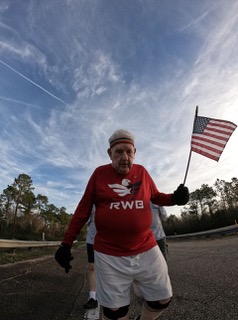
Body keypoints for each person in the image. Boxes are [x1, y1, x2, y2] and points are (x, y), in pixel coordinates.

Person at [55, 129, 189, 320]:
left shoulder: (142, 172)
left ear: (135, 152)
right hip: (109, 254)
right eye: (119, 152)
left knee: (161, 299)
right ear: (110, 154)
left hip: (146, 247)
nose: (124, 157)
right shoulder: (99, 175)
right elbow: (82, 211)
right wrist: (66, 244)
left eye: (129, 151)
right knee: (114, 312)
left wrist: (175, 198)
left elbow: (156, 196)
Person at [83, 206, 98, 309]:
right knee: (92, 266)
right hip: (92, 239)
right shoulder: (91, 202)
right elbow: (85, 220)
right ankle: (93, 297)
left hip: (109, 239)